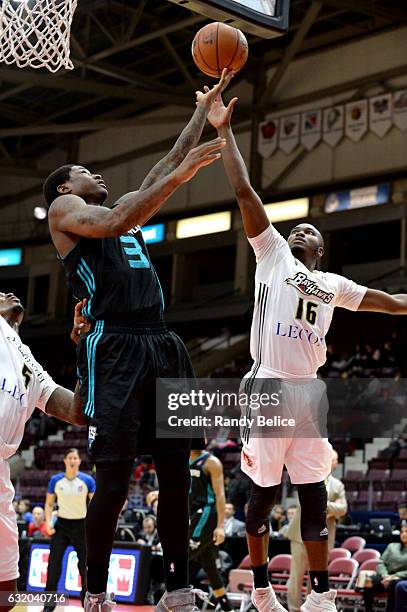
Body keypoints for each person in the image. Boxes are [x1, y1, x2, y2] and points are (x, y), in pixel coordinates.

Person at [206, 91, 407, 612]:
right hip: (269, 382)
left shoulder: (335, 285)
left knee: (314, 493)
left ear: (320, 251)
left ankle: (319, 597)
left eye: (310, 230)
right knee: (263, 494)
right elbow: (245, 190)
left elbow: (389, 303)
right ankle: (263, 591)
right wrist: (225, 132)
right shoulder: (271, 253)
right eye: (298, 226)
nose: (300, 229)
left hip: (309, 393)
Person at [43, 70, 233, 612]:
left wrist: (204, 109)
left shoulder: (125, 208)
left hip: (161, 342)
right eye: (83, 171)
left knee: (177, 473)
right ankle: (95, 591)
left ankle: (176, 587)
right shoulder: (66, 214)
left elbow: (169, 162)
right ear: (64, 189)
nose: (94, 173)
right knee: (116, 473)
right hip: (117, 345)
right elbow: (131, 210)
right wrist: (177, 180)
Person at [0, 292, 86, 612]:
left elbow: (77, 411)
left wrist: (86, 350)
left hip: (1, 470)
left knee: (6, 590)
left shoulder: (28, 360)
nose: (8, 293)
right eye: (0, 294)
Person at [285, 450, 347, 611]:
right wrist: (329, 508)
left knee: (316, 577)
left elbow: (343, 508)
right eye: (332, 459)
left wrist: (323, 505)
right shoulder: (308, 477)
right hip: (300, 535)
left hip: (324, 537)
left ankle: (312, 608)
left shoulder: (338, 485)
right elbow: (305, 503)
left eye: (336, 460)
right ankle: (294, 608)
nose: (335, 463)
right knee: (296, 575)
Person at [43, 447, 95, 611]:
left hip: (82, 526)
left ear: (79, 461)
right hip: (62, 526)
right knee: (53, 566)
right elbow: (49, 504)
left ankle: (87, 605)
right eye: (70, 458)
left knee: (84, 568)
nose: (72, 461)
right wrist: (47, 523)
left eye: (75, 458)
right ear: (65, 461)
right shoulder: (55, 480)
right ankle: (48, 607)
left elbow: (94, 506)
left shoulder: (87, 480)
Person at [189, 449, 230, 611]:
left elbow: (220, 496)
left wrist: (220, 526)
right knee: (209, 564)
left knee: (183, 556)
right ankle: (228, 608)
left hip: (206, 514)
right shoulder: (184, 458)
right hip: (193, 513)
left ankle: (170, 600)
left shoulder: (211, 462)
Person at [362, 525, 407, 612]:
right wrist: (385, 575)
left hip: (400, 578)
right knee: (368, 581)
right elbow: (381, 563)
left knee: (393, 584)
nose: (403, 534)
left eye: (406, 532)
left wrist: (395, 576)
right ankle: (368, 610)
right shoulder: (392, 546)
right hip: (386, 576)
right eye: (402, 532)